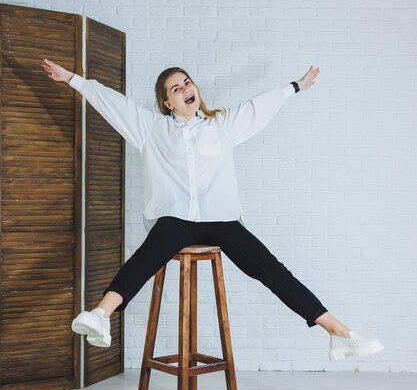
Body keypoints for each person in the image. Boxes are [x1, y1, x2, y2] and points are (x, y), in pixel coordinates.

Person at [41, 58, 384, 362]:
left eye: (187, 82)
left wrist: (295, 86)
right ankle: (101, 315)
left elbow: (257, 107)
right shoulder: (151, 129)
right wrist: (72, 79)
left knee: (269, 269)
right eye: (176, 88)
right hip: (175, 219)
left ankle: (338, 333)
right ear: (168, 102)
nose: (185, 88)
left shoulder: (221, 125)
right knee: (148, 254)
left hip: (222, 220)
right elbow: (112, 103)